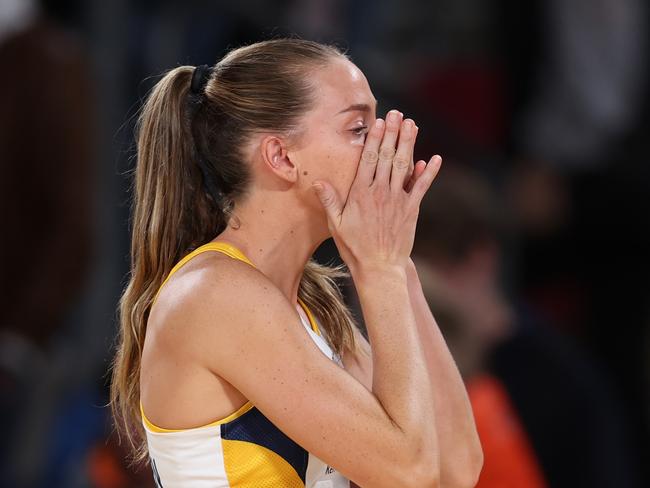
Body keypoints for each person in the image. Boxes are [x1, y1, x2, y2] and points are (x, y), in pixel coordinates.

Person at [110, 38, 482, 488]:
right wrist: (380, 269)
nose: (382, 150)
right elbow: (409, 474)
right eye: (358, 129)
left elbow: (455, 470)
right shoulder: (215, 295)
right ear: (282, 157)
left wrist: (397, 263)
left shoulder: (310, 305)